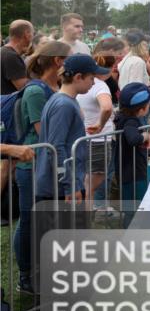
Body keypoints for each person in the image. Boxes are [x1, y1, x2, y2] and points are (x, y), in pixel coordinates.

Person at [10, 40, 71, 293]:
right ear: (58, 61)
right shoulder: (36, 91)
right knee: (29, 221)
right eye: (68, 59)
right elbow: (42, 133)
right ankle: (25, 275)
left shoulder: (54, 88)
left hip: (48, 166)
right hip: (31, 168)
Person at [36, 54, 109, 202]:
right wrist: (70, 185)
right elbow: (56, 148)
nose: (94, 83)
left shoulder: (65, 100)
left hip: (65, 184)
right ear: (78, 77)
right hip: (60, 189)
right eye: (91, 78)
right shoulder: (63, 105)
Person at [76, 51, 116, 206]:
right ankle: (88, 217)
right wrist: (100, 124)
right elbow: (107, 107)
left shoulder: (80, 87)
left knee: (86, 182)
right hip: (98, 140)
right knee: (90, 186)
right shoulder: (100, 85)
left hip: (83, 139)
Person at [114, 83, 150, 208]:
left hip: (127, 171)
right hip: (133, 174)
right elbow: (133, 139)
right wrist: (145, 137)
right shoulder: (131, 121)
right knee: (138, 206)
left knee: (131, 207)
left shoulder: (122, 117)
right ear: (142, 109)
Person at [2, 20, 34, 95]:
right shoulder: (10, 56)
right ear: (26, 34)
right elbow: (26, 89)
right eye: (32, 33)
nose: (33, 37)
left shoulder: (4, 52)